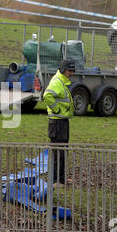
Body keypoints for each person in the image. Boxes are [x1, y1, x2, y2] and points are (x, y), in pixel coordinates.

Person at [43, 60, 76, 188]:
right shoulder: (57, 81)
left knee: (62, 151)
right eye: (69, 70)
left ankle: (61, 179)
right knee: (57, 152)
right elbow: (47, 95)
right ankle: (55, 180)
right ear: (63, 70)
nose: (71, 73)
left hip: (62, 121)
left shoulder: (62, 82)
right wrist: (56, 109)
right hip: (57, 122)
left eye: (73, 71)